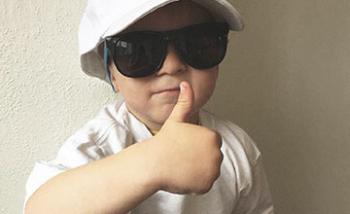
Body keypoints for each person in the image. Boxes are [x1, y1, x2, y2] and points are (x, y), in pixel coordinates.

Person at [24, 0, 274, 213]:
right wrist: (154, 161)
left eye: (199, 42)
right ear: (111, 74)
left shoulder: (237, 148)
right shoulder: (100, 146)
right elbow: (41, 206)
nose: (172, 65)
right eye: (138, 50)